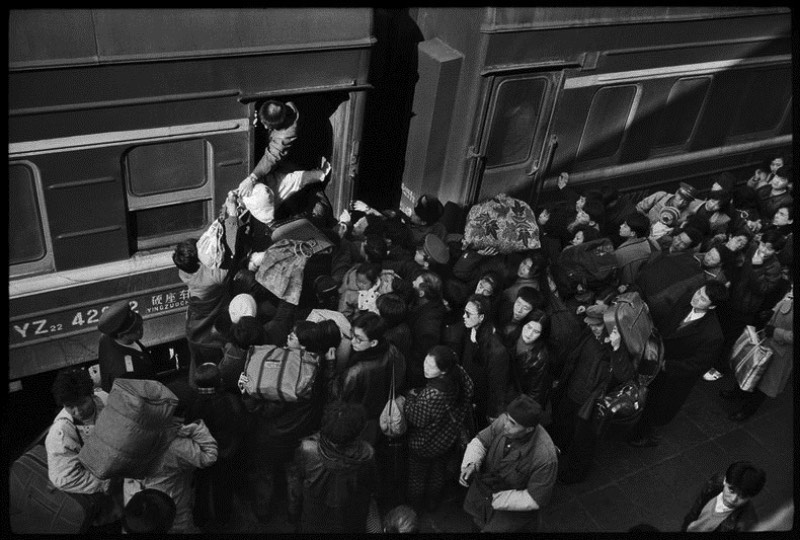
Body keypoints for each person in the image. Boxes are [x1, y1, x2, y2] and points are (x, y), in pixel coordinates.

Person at [628, 282, 728, 447]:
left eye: (703, 299)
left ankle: (643, 435)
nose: (697, 298)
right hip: (657, 358)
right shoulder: (687, 299)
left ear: (712, 307)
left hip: (672, 376)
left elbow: (697, 365)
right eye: (699, 292)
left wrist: (666, 365)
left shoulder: (712, 335)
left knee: (656, 408)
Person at [459, 395, 558, 532]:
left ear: (529, 429)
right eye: (507, 418)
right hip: (483, 496)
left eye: (512, 423)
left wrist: (498, 500)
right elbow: (481, 441)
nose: (505, 425)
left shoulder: (545, 457)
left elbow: (536, 498)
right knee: (476, 523)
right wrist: (471, 463)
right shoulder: (505, 421)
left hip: (511, 512)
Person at [399, 345, 474, 513]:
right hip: (447, 439)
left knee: (417, 479)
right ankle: (433, 503)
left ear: (444, 371)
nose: (425, 368)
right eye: (426, 362)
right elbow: (469, 390)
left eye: (431, 366)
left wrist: (410, 397)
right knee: (438, 473)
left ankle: (415, 509)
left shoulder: (432, 394)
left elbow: (417, 419)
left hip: (423, 445)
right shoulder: (460, 376)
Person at [286, 401, 378, 533]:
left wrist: (293, 514)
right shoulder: (367, 454)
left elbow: (296, 485)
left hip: (314, 517)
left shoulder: (307, 449)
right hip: (349, 519)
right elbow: (372, 487)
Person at [123, 418, 218, 533]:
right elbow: (209, 456)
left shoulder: (124, 444)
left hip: (141, 510)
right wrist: (191, 428)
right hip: (174, 513)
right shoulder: (174, 445)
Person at [184, 363, 247, 528]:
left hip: (201, 452)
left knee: (201, 485)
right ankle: (223, 518)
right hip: (223, 453)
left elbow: (188, 426)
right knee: (223, 487)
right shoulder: (230, 401)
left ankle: (201, 518)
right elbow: (239, 426)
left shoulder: (191, 401)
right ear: (220, 381)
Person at [720, 284, 793, 421]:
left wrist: (777, 333)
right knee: (750, 367)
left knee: (764, 384)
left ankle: (747, 411)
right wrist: (772, 312)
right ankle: (739, 392)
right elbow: (785, 302)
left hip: (781, 353)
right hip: (767, 339)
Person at [337, 312, 406, 446]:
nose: (352, 341)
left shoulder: (355, 372)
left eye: (359, 339)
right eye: (352, 335)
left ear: (373, 342)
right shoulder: (392, 351)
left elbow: (340, 396)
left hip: (357, 420)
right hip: (380, 414)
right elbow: (399, 377)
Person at [445, 294, 510, 431]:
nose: (464, 316)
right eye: (464, 312)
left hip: (481, 401)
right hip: (468, 393)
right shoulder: (470, 331)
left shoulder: (496, 349)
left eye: (468, 314)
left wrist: (493, 412)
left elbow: (497, 385)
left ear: (481, 317)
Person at [45, 367, 111, 495]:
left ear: (91, 394)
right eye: (70, 406)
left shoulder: (106, 400)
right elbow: (65, 479)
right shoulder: (61, 433)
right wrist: (107, 484)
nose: (78, 411)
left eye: (82, 403)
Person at [681, 461, 765, 532]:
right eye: (731, 491)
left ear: (750, 497)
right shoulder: (715, 483)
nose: (733, 499)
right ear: (724, 480)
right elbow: (695, 509)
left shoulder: (746, 523)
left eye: (742, 496)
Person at [96, 300, 156, 393]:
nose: (140, 330)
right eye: (135, 329)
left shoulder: (107, 337)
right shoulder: (125, 374)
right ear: (120, 335)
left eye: (139, 325)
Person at [614, 211, 656, 285]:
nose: (621, 226)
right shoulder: (644, 241)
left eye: (625, 226)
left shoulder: (625, 254)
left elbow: (628, 279)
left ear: (632, 233)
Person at [635, 181, 700, 225]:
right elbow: (639, 208)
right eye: (680, 198)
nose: (681, 203)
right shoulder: (661, 196)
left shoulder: (687, 215)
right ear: (676, 193)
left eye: (686, 201)